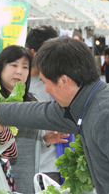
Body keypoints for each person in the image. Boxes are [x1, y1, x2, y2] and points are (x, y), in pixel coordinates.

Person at [0, 37, 109, 194]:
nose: (45, 90)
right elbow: (42, 112)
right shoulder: (85, 102)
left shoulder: (106, 113)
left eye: (46, 83)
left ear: (64, 81)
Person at [0, 45, 67, 193]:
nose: (19, 71)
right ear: (1, 66)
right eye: (14, 65)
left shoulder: (32, 102)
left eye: (25, 67)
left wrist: (45, 140)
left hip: (27, 180)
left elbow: (26, 146)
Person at [26, 25, 74, 185]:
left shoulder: (60, 80)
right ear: (33, 52)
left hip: (59, 165)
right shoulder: (20, 86)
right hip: (36, 168)